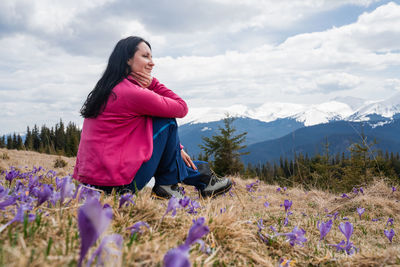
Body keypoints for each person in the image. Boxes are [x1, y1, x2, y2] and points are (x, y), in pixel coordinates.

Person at [73, 36, 232, 199]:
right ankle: (171, 184)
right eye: (145, 56)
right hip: (119, 184)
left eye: (151, 56)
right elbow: (181, 107)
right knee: (166, 119)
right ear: (127, 59)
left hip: (90, 182)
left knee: (160, 129)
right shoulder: (131, 93)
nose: (152, 62)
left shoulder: (109, 88)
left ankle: (204, 178)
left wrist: (178, 148)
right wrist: (153, 84)